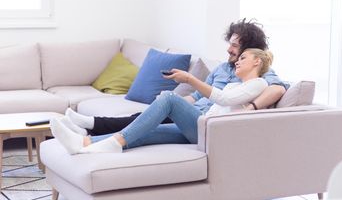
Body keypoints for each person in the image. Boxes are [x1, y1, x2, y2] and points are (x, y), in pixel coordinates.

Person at [60, 18, 287, 137]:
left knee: (152, 117)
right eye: (230, 43)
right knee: (149, 114)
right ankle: (88, 131)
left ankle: (89, 127)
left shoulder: (259, 74)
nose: (229, 50)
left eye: (236, 46)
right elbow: (197, 96)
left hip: (203, 121)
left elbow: (278, 89)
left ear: (251, 53)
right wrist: (172, 102)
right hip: (193, 112)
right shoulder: (220, 69)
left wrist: (252, 108)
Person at [51, 48, 274, 154]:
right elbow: (220, 101)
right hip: (202, 128)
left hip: (213, 134)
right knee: (145, 131)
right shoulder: (236, 84)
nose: (237, 61)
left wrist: (189, 78)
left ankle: (110, 141)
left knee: (168, 98)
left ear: (257, 62)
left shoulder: (259, 84)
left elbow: (223, 98)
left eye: (243, 58)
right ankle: (84, 144)